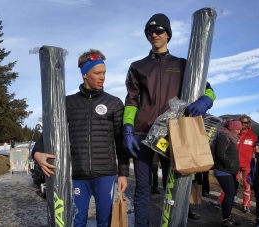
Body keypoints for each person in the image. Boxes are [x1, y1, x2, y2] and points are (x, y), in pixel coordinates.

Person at [122, 13, 216, 226]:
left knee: (173, 188)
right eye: (150, 32)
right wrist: (128, 127)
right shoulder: (138, 66)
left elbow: (209, 91)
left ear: (168, 34)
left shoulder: (184, 65)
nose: (154, 34)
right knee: (143, 189)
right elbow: (131, 100)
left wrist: (205, 102)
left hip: (173, 134)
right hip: (142, 134)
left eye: (159, 31)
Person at [31, 49, 129, 227]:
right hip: (77, 174)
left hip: (105, 174)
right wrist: (37, 152)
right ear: (85, 74)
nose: (102, 77)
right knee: (77, 221)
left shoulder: (113, 103)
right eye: (97, 73)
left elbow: (120, 140)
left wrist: (123, 173)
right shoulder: (68, 103)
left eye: (104, 73)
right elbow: (51, 132)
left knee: (105, 221)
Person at [213, 120, 241, 227]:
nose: (239, 131)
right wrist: (229, 164)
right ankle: (225, 220)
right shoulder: (223, 137)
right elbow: (220, 153)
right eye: (237, 128)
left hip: (229, 172)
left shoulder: (230, 138)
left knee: (232, 194)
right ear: (232, 128)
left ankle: (228, 217)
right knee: (229, 194)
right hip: (223, 171)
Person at [237, 114, 258, 213]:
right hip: (235, 163)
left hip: (247, 164)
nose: (243, 124)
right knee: (230, 183)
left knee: (247, 185)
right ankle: (221, 200)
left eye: (245, 122)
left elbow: (257, 150)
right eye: (241, 122)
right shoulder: (235, 133)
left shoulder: (253, 136)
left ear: (248, 123)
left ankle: (246, 205)